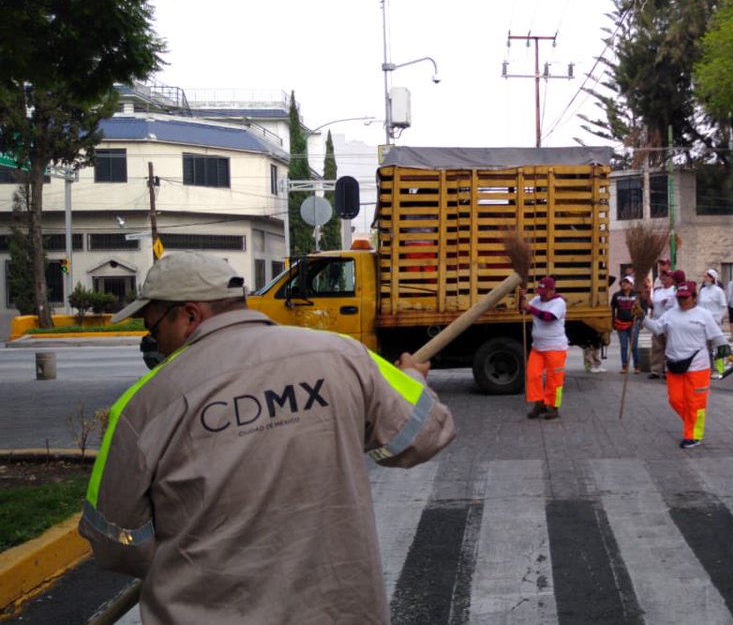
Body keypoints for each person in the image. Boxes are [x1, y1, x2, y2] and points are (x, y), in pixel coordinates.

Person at [79, 252, 456, 624]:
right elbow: (424, 433)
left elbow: (115, 541)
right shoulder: (342, 355)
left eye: (154, 327)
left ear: (190, 315)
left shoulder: (143, 406)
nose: (155, 342)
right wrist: (411, 380)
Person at [641, 280, 732, 449]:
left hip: (698, 366)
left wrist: (727, 351)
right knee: (675, 400)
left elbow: (717, 336)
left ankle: (693, 436)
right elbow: (656, 328)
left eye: (686, 297)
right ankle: (692, 423)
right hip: (674, 364)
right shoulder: (670, 314)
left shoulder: (703, 315)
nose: (682, 300)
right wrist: (642, 318)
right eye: (680, 297)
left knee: (695, 403)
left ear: (694, 297)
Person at [520, 277, 569, 419]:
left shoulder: (559, 303)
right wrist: (521, 298)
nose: (541, 294)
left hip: (556, 348)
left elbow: (548, 317)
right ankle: (539, 403)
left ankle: (554, 407)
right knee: (533, 375)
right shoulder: (536, 300)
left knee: (555, 380)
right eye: (540, 291)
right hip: (538, 348)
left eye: (544, 292)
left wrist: (529, 308)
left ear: (552, 290)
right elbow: (523, 310)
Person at [649, 269, 683, 378]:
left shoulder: (675, 291)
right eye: (662, 277)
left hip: (670, 322)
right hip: (657, 321)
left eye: (666, 277)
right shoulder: (658, 291)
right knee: (657, 347)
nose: (664, 279)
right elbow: (652, 305)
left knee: (669, 347)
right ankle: (656, 370)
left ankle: (668, 369)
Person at [699, 268, 728, 373]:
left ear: (712, 278)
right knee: (706, 346)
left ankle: (720, 369)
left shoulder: (718, 291)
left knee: (717, 345)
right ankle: (708, 368)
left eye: (706, 277)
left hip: (715, 321)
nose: (704, 279)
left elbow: (724, 307)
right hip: (703, 322)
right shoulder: (702, 291)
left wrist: (718, 319)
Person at [611, 276, 643, 373]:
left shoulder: (637, 296)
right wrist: (613, 322)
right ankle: (624, 366)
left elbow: (642, 310)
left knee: (634, 346)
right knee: (623, 346)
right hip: (621, 323)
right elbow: (612, 309)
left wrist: (640, 321)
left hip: (634, 323)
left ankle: (637, 366)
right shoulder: (616, 295)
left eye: (627, 282)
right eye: (623, 282)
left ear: (631, 285)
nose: (624, 284)